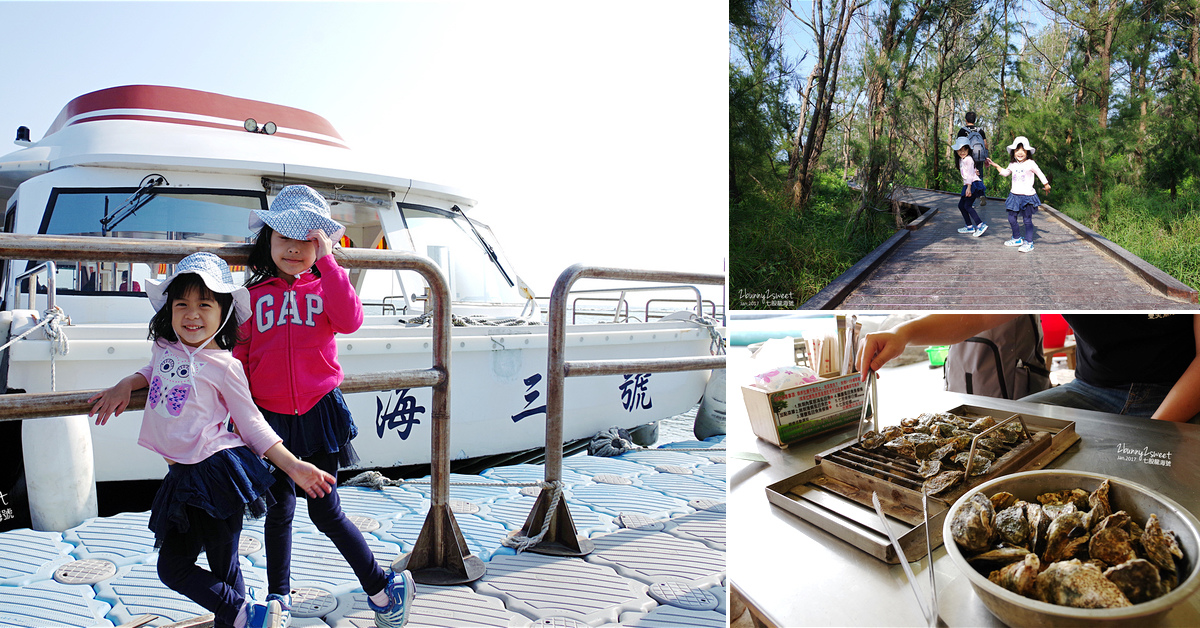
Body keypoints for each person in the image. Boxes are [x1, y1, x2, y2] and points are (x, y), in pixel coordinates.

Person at [88, 252, 337, 628]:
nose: (192, 314)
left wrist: (293, 464)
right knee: (173, 567)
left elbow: (252, 424)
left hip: (218, 474)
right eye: (181, 304)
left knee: (223, 568)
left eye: (204, 305)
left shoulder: (226, 366)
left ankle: (245, 616)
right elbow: (153, 369)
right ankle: (248, 616)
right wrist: (127, 384)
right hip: (181, 478)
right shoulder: (164, 349)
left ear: (223, 315)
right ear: (168, 311)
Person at [233, 185, 414, 628]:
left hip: (320, 416)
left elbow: (351, 319)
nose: (294, 249)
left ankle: (380, 589)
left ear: (321, 245)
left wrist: (330, 260)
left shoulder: (325, 284)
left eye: (307, 240)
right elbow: (238, 359)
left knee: (326, 510)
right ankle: (279, 600)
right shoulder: (251, 298)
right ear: (267, 241)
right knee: (279, 511)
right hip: (270, 422)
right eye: (284, 238)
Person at [856, 313, 1200, 423]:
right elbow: (972, 316)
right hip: (1092, 390)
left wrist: (1150, 436)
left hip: (1178, 394)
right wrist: (904, 332)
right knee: (997, 430)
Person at [985, 135, 1050, 253]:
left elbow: (1040, 173)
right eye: (1017, 150)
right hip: (1014, 196)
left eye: (1023, 150)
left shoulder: (1031, 163)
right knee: (1011, 218)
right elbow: (1005, 173)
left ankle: (1029, 242)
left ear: (1027, 152)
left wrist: (1046, 184)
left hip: (1027, 196)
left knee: (1027, 220)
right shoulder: (1013, 164)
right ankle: (1017, 238)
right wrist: (995, 165)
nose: (1020, 153)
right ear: (1013, 152)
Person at [952, 137, 988, 237]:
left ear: (968, 150)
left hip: (972, 184)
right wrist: (975, 170)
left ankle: (980, 225)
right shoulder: (961, 160)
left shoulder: (968, 159)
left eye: (964, 150)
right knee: (961, 206)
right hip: (969, 184)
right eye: (960, 150)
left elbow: (970, 174)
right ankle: (969, 226)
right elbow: (971, 169)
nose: (962, 152)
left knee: (967, 206)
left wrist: (968, 188)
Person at [955, 111, 988, 206]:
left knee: (968, 177)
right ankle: (982, 195)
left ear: (966, 120)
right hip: (979, 156)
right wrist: (986, 157)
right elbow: (985, 144)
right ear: (975, 120)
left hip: (968, 157)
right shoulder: (980, 130)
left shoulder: (962, 131)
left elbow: (959, 145)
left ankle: (970, 200)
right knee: (979, 177)